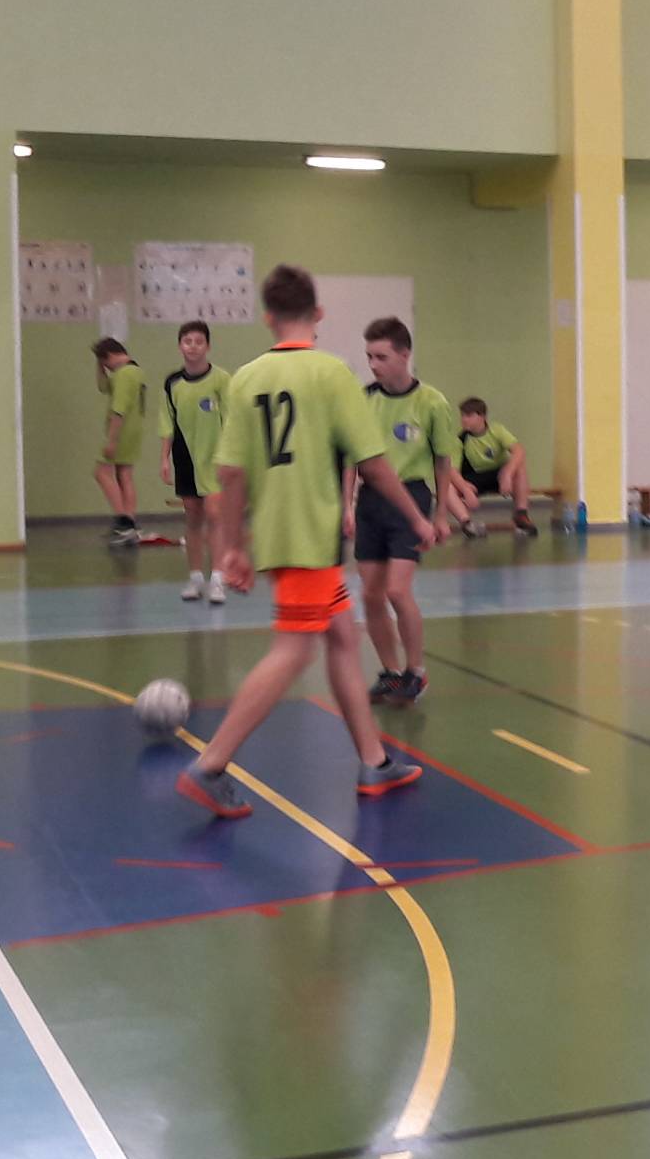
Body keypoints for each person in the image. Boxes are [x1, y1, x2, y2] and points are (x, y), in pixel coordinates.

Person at [177, 266, 430, 819]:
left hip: (277, 533)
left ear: (267, 317)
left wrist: (231, 546)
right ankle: (211, 764)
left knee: (341, 637)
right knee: (292, 651)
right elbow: (373, 462)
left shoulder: (245, 378)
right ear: (318, 314)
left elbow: (230, 474)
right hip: (309, 536)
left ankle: (374, 761)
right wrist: (417, 516)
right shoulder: (332, 373)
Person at [347, 318, 460, 704]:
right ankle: (391, 672)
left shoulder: (432, 402)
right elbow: (350, 459)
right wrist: (347, 506)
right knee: (371, 595)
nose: (373, 365)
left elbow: (443, 462)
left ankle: (416, 671)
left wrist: (441, 515)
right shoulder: (363, 400)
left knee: (397, 589)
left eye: (381, 357)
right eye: (369, 357)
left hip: (410, 497)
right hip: (370, 501)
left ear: (405, 355)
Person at [161, 320, 228, 603]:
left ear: (208, 346)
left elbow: (233, 421)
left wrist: (232, 459)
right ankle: (195, 578)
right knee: (193, 517)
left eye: (199, 342)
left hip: (215, 458)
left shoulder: (221, 380)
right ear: (180, 346)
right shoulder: (172, 383)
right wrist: (164, 458)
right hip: (185, 457)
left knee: (215, 515)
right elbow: (167, 422)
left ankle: (218, 579)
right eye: (187, 341)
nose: (193, 347)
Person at [449, 397, 539, 539]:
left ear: (482, 417)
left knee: (519, 468)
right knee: (447, 487)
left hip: (499, 475)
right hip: (476, 478)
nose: (464, 419)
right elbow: (452, 471)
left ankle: (521, 515)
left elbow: (519, 451)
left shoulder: (497, 430)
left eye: (469, 415)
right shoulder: (460, 440)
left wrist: (507, 473)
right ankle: (467, 524)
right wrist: (465, 490)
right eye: (463, 415)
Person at [91, 337, 146, 545]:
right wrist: (99, 365)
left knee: (101, 472)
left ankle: (122, 521)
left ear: (111, 356)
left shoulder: (123, 375)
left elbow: (118, 409)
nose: (106, 368)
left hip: (121, 431)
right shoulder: (136, 372)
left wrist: (112, 440)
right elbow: (104, 387)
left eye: (105, 363)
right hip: (135, 431)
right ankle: (130, 520)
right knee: (124, 475)